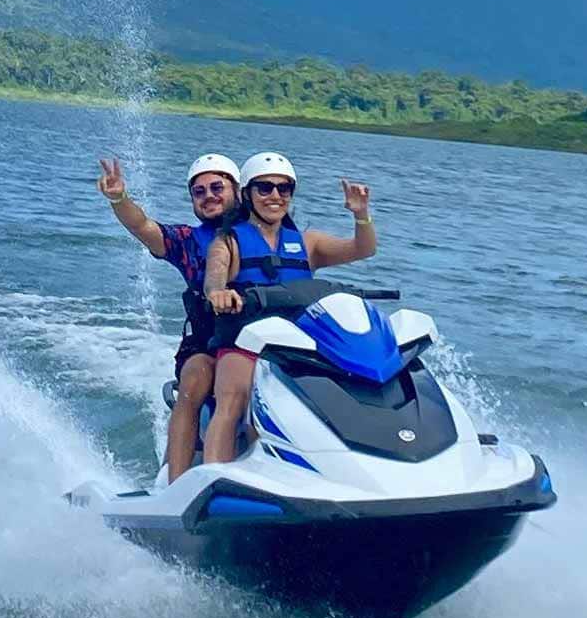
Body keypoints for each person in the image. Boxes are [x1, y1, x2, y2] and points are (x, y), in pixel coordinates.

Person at [202, 151, 377, 463]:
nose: (275, 196)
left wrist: (361, 215)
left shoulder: (308, 243)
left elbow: (363, 249)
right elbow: (214, 278)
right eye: (265, 188)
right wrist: (219, 293)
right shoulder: (228, 242)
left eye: (284, 189)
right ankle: (213, 477)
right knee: (234, 398)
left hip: (299, 344)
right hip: (243, 340)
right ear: (247, 194)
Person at [96, 153, 244, 482]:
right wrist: (120, 198)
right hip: (208, 343)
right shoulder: (187, 242)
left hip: (264, 340)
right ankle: (176, 484)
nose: (209, 196)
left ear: (238, 190)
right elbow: (142, 226)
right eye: (199, 192)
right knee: (195, 378)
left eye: (217, 187)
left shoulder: (267, 235)